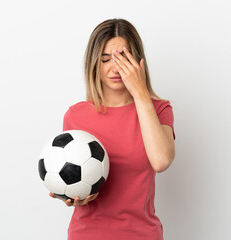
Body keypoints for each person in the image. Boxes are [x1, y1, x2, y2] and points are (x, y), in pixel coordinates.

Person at [49, 18, 176, 240]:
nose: (115, 68)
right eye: (106, 59)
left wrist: (140, 94)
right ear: (94, 63)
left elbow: (161, 160)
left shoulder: (159, 109)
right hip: (87, 234)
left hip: (141, 234)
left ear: (138, 61)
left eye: (123, 59)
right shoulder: (75, 116)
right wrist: (71, 194)